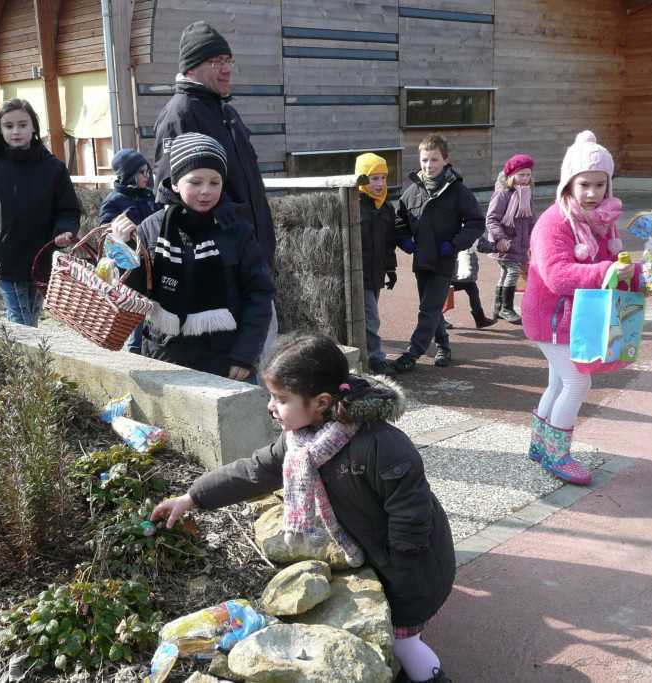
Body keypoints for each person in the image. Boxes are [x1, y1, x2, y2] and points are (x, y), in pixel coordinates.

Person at [150, 334, 455, 683]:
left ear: (321, 402)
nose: (270, 406)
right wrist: (193, 497)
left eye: (281, 399)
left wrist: (401, 588)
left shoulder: (381, 446)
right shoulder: (301, 441)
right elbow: (255, 471)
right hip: (386, 558)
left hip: (415, 567)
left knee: (405, 646)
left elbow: (411, 521)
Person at [152, 21, 279, 358]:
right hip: (223, 268)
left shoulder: (226, 112)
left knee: (262, 355)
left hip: (250, 257)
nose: (227, 70)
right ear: (192, 66)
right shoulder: (180, 115)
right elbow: (170, 197)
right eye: (217, 61)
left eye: (229, 61)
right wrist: (229, 231)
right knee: (245, 361)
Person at [522, 131, 642, 486]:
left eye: (600, 185)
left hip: (572, 317)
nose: (592, 193)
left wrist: (634, 273)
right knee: (577, 381)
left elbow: (607, 264)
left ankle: (540, 445)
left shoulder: (601, 221)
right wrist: (607, 270)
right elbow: (558, 276)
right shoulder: (554, 223)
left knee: (558, 382)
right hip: (551, 317)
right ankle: (557, 454)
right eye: (585, 184)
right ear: (568, 184)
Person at [110, 132, 274, 382]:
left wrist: (245, 354)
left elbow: (259, 294)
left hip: (227, 361)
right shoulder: (150, 229)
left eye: (214, 182)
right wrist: (121, 250)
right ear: (174, 183)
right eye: (195, 182)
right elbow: (135, 294)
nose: (205, 191)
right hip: (165, 359)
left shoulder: (237, 231)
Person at [0, 99, 81, 327]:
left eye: (23, 124)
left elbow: (68, 209)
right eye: (9, 126)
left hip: (43, 258)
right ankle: (22, 361)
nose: (16, 131)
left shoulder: (54, 168)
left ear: (34, 126)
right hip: (8, 259)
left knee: (29, 318)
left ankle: (19, 359)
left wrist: (65, 231)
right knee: (21, 320)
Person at [391, 134, 484, 372]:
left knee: (429, 309)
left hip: (444, 260)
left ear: (445, 160)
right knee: (431, 308)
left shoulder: (457, 191)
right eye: (424, 160)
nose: (428, 165)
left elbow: (475, 222)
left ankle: (413, 353)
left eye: (434, 160)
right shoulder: (412, 191)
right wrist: (404, 241)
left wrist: (454, 244)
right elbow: (399, 219)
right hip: (421, 260)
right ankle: (444, 346)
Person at [99, 149, 159, 354]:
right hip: (129, 268)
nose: (147, 176)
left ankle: (149, 351)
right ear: (129, 174)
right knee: (134, 314)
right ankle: (133, 354)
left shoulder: (149, 196)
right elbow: (107, 234)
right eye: (142, 172)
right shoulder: (114, 201)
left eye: (148, 171)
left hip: (152, 264)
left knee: (150, 314)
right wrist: (121, 232)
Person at [355, 152, 398, 376]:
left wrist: (391, 268)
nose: (380, 183)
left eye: (383, 178)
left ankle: (365, 352)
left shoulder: (386, 208)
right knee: (371, 317)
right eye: (374, 178)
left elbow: (389, 242)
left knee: (368, 317)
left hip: (377, 273)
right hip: (357, 273)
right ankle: (376, 358)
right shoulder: (353, 205)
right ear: (363, 180)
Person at [485, 153, 536, 324]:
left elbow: (530, 219)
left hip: (519, 244)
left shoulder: (526, 194)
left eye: (528, 174)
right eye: (521, 174)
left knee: (506, 273)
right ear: (511, 176)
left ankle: (499, 308)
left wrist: (533, 240)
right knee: (512, 271)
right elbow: (491, 219)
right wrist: (500, 239)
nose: (525, 178)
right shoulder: (503, 194)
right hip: (505, 243)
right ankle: (506, 308)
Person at [446, 246, 496, 329]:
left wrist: (494, 247)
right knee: (439, 297)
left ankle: (480, 319)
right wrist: (495, 247)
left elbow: (481, 245)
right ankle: (438, 320)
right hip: (449, 274)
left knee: (473, 290)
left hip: (464, 276)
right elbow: (481, 245)